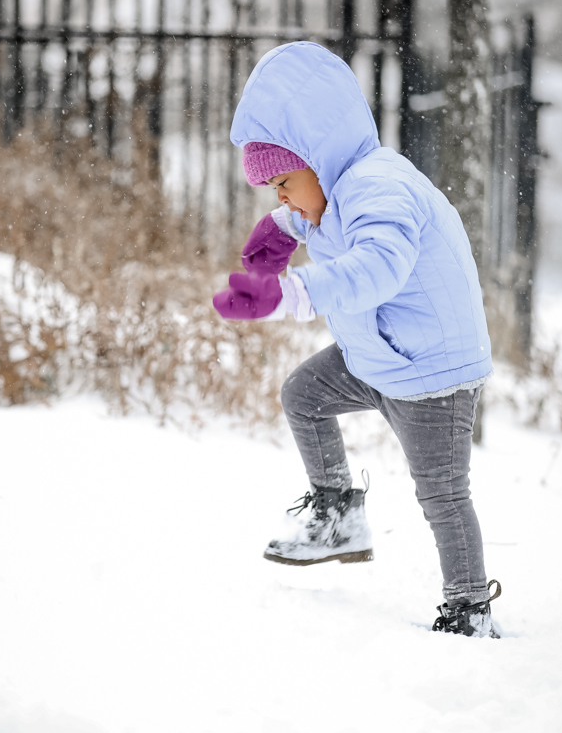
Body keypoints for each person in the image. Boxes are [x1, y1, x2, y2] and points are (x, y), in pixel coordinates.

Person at [212, 41, 501, 638]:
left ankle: (469, 609)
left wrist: (291, 294)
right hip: (380, 357)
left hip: (431, 372)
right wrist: (282, 228)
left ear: (322, 155)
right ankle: (338, 515)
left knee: (442, 494)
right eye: (274, 191)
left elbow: (379, 268)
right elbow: (323, 210)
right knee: (303, 395)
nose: (284, 197)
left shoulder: (381, 188)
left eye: (285, 182)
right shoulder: (338, 190)